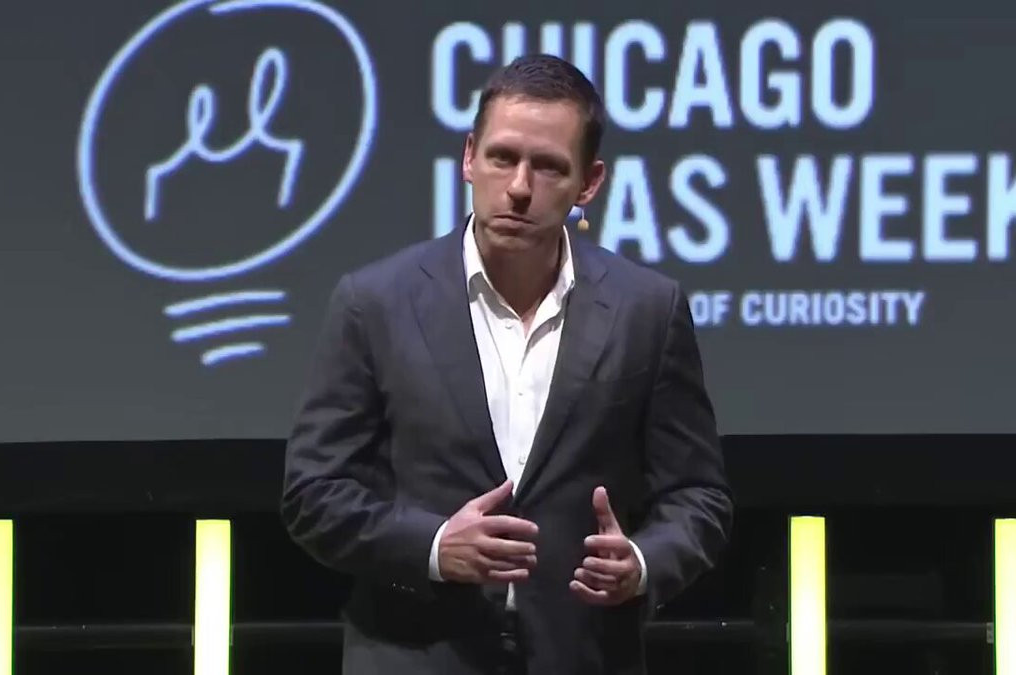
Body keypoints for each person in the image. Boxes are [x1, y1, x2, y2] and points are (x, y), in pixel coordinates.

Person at [281, 53, 733, 674]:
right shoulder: (376, 302)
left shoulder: (647, 310)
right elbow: (313, 494)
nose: (520, 187)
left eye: (548, 166)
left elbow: (698, 496)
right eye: (502, 157)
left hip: (582, 657)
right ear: (469, 158)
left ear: (589, 182)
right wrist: (434, 546)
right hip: (417, 656)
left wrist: (643, 561)